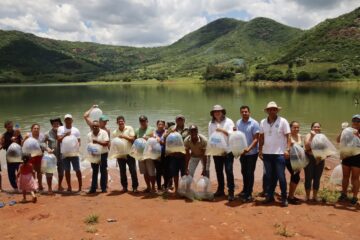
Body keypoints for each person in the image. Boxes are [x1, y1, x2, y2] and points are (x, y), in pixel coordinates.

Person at [259, 101, 291, 207]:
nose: (272, 111)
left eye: (274, 109)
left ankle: (284, 198)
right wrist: (260, 150)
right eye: (270, 109)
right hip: (267, 154)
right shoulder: (263, 122)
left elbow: (288, 136)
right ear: (267, 111)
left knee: (281, 176)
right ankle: (270, 196)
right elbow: (261, 137)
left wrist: (287, 149)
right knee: (269, 176)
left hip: (279, 154)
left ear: (277, 110)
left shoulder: (283, 121)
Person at [208, 105, 235, 201]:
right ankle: (220, 190)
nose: (217, 113)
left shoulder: (229, 121)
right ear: (213, 114)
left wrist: (222, 130)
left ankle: (231, 192)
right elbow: (211, 137)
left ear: (223, 112)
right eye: (215, 112)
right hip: (217, 151)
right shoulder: (211, 123)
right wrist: (211, 150)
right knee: (219, 171)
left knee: (229, 171)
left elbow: (232, 134)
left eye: (219, 111)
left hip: (228, 151)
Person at [236, 106, 260, 202]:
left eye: (246, 112)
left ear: (249, 112)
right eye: (242, 112)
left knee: (250, 173)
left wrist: (248, 149)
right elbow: (236, 137)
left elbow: (256, 139)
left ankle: (249, 194)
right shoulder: (238, 122)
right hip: (242, 153)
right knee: (243, 172)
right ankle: (245, 189)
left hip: (252, 153)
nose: (244, 113)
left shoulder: (254, 123)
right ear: (240, 113)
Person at [337, 114, 360, 205]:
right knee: (345, 176)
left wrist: (358, 134)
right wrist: (342, 131)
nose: (356, 122)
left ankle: (355, 197)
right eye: (354, 120)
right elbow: (338, 140)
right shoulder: (347, 130)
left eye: (358, 121)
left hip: (357, 157)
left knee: (355, 177)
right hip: (346, 155)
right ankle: (344, 194)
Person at [112, 116, 139, 193]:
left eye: (122, 121)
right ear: (117, 123)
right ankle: (124, 187)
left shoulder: (129, 128)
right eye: (119, 121)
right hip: (120, 155)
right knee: (122, 171)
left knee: (133, 171)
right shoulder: (114, 132)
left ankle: (135, 187)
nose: (121, 122)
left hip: (130, 153)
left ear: (124, 122)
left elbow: (133, 140)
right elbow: (114, 145)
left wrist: (124, 136)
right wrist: (115, 154)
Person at [164, 115, 189, 194]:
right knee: (175, 173)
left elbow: (190, 139)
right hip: (173, 155)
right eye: (178, 120)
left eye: (181, 120)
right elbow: (165, 138)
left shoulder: (187, 129)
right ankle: (177, 189)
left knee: (183, 173)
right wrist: (170, 132)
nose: (180, 121)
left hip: (183, 154)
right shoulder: (171, 128)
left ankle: (183, 189)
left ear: (184, 120)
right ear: (176, 121)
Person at [57, 114, 82, 192]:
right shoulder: (60, 129)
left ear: (72, 120)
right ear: (64, 121)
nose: (68, 121)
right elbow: (59, 140)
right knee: (67, 170)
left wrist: (77, 148)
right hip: (64, 153)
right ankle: (69, 187)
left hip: (74, 153)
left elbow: (79, 141)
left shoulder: (76, 130)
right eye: (66, 119)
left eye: (69, 119)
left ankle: (80, 187)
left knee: (77, 170)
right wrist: (65, 135)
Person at [23, 124, 49, 192]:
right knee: (32, 171)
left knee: (39, 171)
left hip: (39, 155)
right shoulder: (28, 135)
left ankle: (40, 185)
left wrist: (48, 149)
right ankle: (34, 185)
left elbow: (45, 144)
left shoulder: (42, 136)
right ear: (31, 129)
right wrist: (24, 139)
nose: (36, 129)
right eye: (35, 128)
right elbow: (22, 144)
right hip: (30, 156)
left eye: (37, 128)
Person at [87, 120, 110, 194]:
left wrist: (97, 142)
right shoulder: (89, 135)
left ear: (99, 126)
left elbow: (106, 143)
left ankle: (103, 188)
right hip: (94, 154)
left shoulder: (104, 132)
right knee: (94, 171)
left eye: (96, 126)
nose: (95, 127)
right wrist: (91, 152)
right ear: (92, 127)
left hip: (103, 154)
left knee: (103, 171)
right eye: (93, 126)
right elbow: (89, 146)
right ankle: (93, 188)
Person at [304, 122, 324, 202]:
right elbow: (307, 146)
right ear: (311, 128)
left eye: (318, 127)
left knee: (317, 178)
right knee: (308, 178)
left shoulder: (322, 137)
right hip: (309, 158)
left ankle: (315, 196)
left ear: (320, 128)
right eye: (315, 127)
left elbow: (326, 148)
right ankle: (307, 196)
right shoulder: (308, 135)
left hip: (320, 159)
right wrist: (312, 136)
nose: (316, 128)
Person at [136, 115, 156, 193]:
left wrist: (148, 138)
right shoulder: (137, 130)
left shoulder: (152, 129)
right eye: (141, 121)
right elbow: (135, 142)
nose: (142, 122)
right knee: (145, 172)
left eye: (144, 121)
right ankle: (148, 187)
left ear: (147, 121)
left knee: (151, 171)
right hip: (140, 155)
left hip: (149, 154)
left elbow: (155, 139)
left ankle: (153, 187)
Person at [0, 121, 23, 191]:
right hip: (10, 156)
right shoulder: (4, 135)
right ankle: (15, 187)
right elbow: (4, 147)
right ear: (5, 127)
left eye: (11, 126)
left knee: (20, 171)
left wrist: (19, 140)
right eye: (8, 127)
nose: (10, 128)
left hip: (18, 155)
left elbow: (22, 143)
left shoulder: (17, 132)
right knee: (11, 172)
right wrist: (10, 141)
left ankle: (22, 186)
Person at [45, 118, 64, 193]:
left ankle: (60, 185)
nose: (56, 125)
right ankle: (49, 188)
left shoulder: (63, 132)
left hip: (61, 155)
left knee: (61, 172)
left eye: (57, 124)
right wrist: (47, 148)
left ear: (60, 125)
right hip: (51, 156)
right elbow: (42, 143)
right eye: (54, 124)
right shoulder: (47, 133)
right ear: (52, 125)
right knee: (49, 172)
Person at [287, 121, 303, 204]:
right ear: (290, 128)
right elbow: (288, 148)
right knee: (295, 177)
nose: (296, 129)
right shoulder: (288, 136)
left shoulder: (299, 136)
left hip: (297, 159)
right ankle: (290, 197)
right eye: (294, 127)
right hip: (289, 159)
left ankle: (291, 195)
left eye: (298, 127)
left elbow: (301, 148)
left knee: (295, 177)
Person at [154, 120, 167, 190]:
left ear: (164, 125)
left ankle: (165, 186)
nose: (160, 126)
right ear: (157, 125)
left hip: (165, 155)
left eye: (162, 124)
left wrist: (161, 142)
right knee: (158, 171)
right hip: (156, 155)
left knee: (165, 171)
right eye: (159, 124)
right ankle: (159, 187)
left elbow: (170, 143)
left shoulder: (167, 132)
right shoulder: (154, 133)